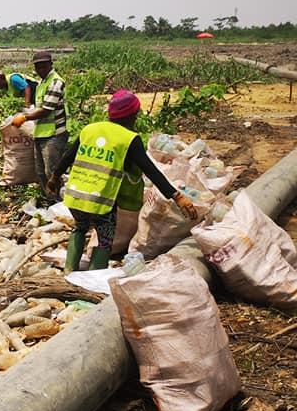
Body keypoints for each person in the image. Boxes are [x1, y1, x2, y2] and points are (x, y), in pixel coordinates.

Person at [46, 89, 198, 272]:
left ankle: (69, 272)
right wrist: (177, 196)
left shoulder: (90, 129)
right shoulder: (128, 139)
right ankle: (92, 281)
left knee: (79, 228)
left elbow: (68, 156)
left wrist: (54, 178)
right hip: (100, 200)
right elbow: (150, 170)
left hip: (75, 195)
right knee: (104, 239)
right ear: (131, 115)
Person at [11, 50, 67, 205]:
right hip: (41, 133)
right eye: (37, 67)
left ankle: (59, 203)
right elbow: (39, 106)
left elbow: (46, 110)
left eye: (43, 66)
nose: (40, 70)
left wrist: (25, 117)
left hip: (54, 134)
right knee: (40, 172)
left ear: (50, 64)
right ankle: (49, 201)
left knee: (52, 171)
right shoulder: (42, 83)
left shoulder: (56, 82)